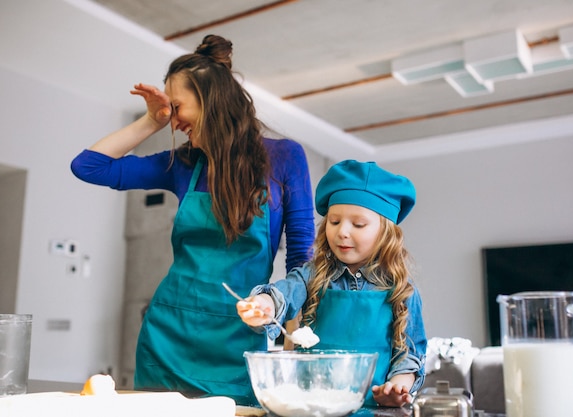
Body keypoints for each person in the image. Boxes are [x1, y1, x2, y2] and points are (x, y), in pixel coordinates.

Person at [70, 34, 316, 404]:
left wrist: (286, 323)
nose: (173, 119)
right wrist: (151, 121)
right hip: (168, 339)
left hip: (239, 343)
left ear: (210, 101)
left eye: (176, 107)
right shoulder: (181, 164)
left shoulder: (284, 158)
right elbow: (87, 167)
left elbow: (304, 261)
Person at [237, 159, 427, 407]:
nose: (342, 232)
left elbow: (409, 355)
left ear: (385, 233)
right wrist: (264, 304)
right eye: (334, 222)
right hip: (312, 406)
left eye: (358, 224)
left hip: (373, 409)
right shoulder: (312, 275)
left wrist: (399, 386)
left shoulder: (402, 290)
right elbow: (284, 293)